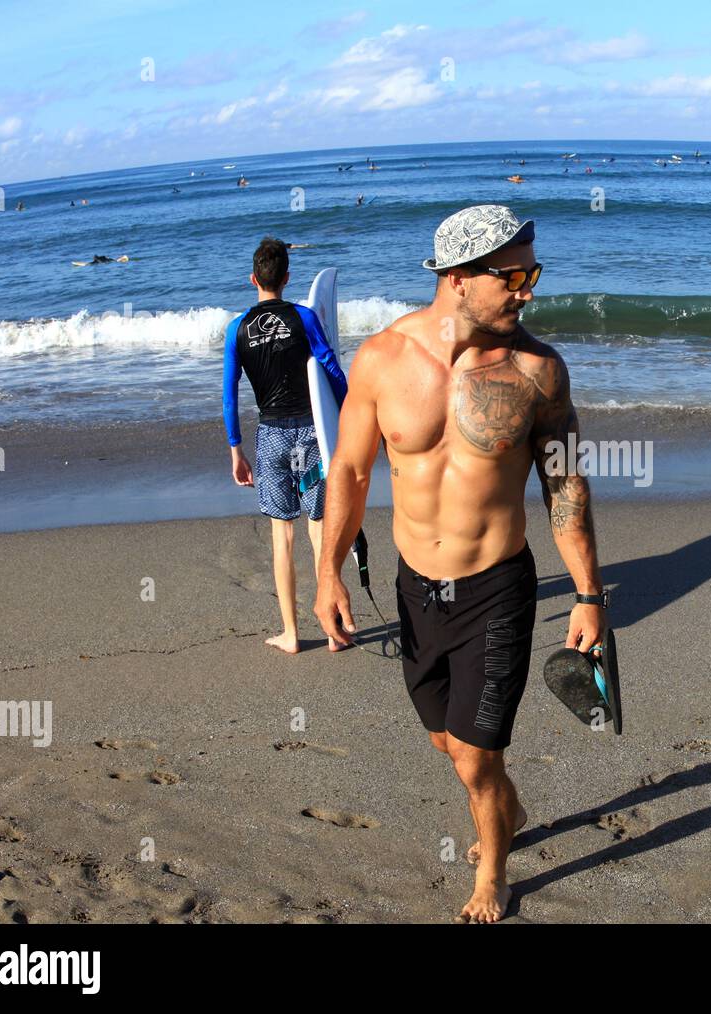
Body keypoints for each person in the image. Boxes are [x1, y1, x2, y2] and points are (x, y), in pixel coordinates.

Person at [313, 205, 605, 924]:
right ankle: (505, 805)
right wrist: (327, 574)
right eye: (514, 275)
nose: (527, 290)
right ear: (456, 278)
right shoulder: (381, 360)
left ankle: (494, 876)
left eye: (532, 274)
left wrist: (591, 595)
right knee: (449, 741)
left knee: (476, 756)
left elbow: (564, 484)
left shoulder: (538, 371)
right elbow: (349, 472)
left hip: (498, 588)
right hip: (416, 592)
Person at [223, 236, 348, 654]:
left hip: (272, 438)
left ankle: (292, 635)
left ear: (253, 278)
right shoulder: (304, 316)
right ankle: (333, 629)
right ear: (287, 277)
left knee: (283, 536)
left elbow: (228, 393)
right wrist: (347, 415)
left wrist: (235, 448)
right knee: (318, 529)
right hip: (312, 436)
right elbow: (329, 366)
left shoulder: (236, 329)